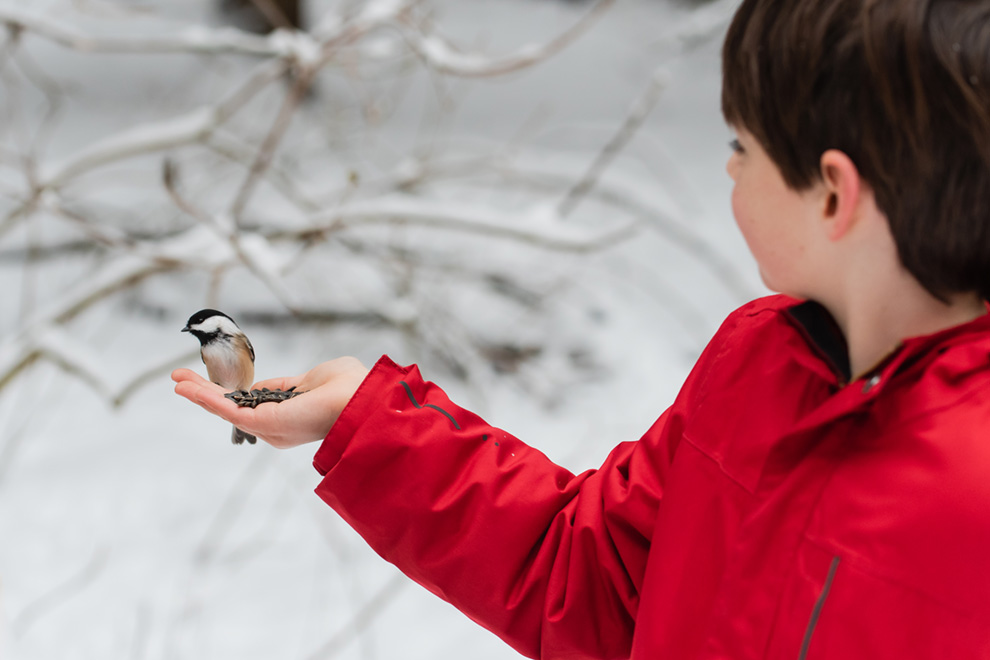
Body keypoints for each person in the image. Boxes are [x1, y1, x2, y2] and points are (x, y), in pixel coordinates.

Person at [172, 0, 990, 657]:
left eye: (745, 145)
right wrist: (369, 423)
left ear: (833, 195)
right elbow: (590, 579)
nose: (730, 166)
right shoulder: (761, 364)